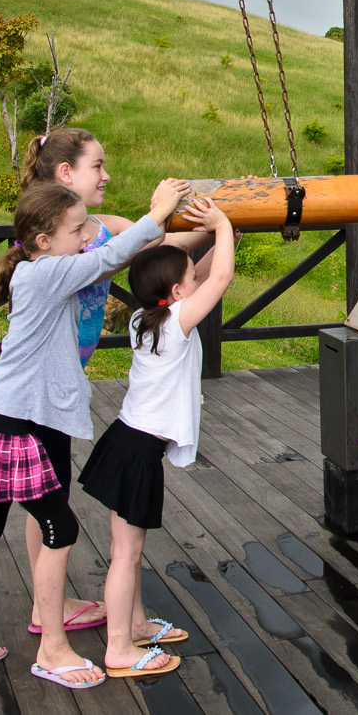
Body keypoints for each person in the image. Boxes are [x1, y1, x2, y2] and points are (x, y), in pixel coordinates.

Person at [0, 128, 213, 635]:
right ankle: (2, 600)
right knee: (23, 502)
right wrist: (168, 215)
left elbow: (162, 249)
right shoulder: (74, 241)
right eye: (98, 166)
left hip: (46, 390)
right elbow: (127, 249)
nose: (107, 174)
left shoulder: (87, 225)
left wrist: (225, 226)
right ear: (66, 174)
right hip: (32, 399)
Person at [79, 197, 237, 677]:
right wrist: (223, 223)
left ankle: (138, 623)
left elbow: (206, 273)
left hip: (124, 442)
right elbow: (220, 280)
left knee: (123, 549)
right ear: (175, 290)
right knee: (126, 554)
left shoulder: (146, 316)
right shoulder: (176, 324)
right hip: (136, 452)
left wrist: (231, 235)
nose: (197, 280)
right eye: (188, 278)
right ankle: (120, 648)